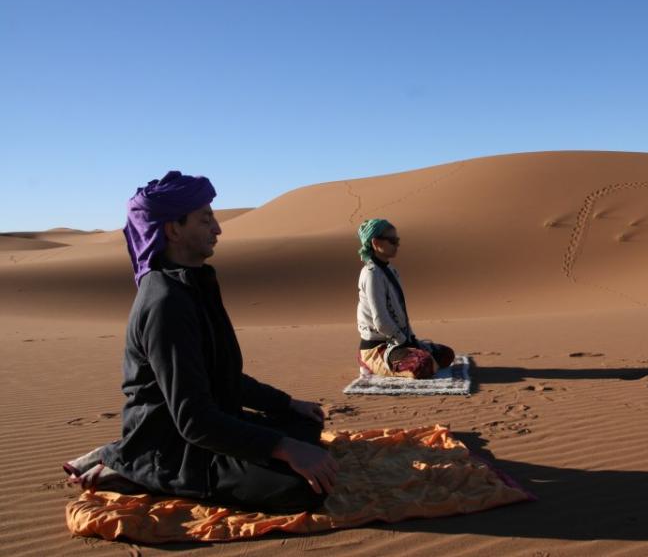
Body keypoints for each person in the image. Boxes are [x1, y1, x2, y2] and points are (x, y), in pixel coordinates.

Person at [98, 171, 337, 512]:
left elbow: (221, 376)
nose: (218, 229)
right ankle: (136, 471)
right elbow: (193, 420)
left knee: (305, 424)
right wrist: (284, 447)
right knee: (303, 489)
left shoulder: (192, 285)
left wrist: (286, 404)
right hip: (174, 448)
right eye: (206, 219)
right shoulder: (165, 302)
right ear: (173, 229)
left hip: (211, 425)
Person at [356, 219, 455, 378]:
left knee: (447, 354)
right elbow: (380, 321)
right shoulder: (371, 274)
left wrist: (410, 340)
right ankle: (367, 361)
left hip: (399, 341)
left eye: (398, 241)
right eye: (392, 241)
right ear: (375, 243)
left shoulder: (390, 270)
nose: (397, 245)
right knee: (423, 365)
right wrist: (403, 341)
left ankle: (408, 354)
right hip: (378, 346)